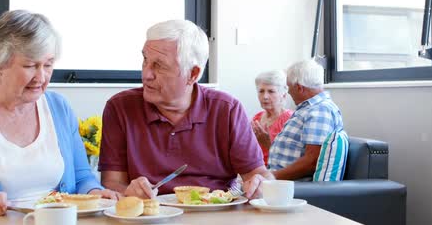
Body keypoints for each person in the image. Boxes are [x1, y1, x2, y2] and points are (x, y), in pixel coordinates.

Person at [0, 10, 117, 225]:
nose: (41, 77)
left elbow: (81, 178)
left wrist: (95, 191)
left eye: (48, 65)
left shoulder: (59, 108)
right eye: (30, 66)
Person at [99, 20, 274, 199]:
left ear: (193, 74)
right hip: (150, 213)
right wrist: (128, 193)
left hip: (213, 213)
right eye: (145, 60)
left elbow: (257, 174)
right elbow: (112, 182)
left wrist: (261, 184)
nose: (146, 74)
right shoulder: (120, 107)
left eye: (159, 65)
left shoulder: (227, 109)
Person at [267, 59, 345, 180]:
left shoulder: (320, 110)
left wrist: (270, 178)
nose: (289, 93)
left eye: (289, 88)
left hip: (291, 186)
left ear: (299, 88)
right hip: (278, 180)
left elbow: (312, 162)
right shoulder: (307, 109)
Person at [250, 70, 293, 166]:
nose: (265, 97)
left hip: (276, 172)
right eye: (261, 91)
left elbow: (288, 159)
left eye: (271, 91)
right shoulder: (256, 118)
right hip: (254, 170)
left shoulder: (290, 119)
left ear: (284, 95)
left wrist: (268, 143)